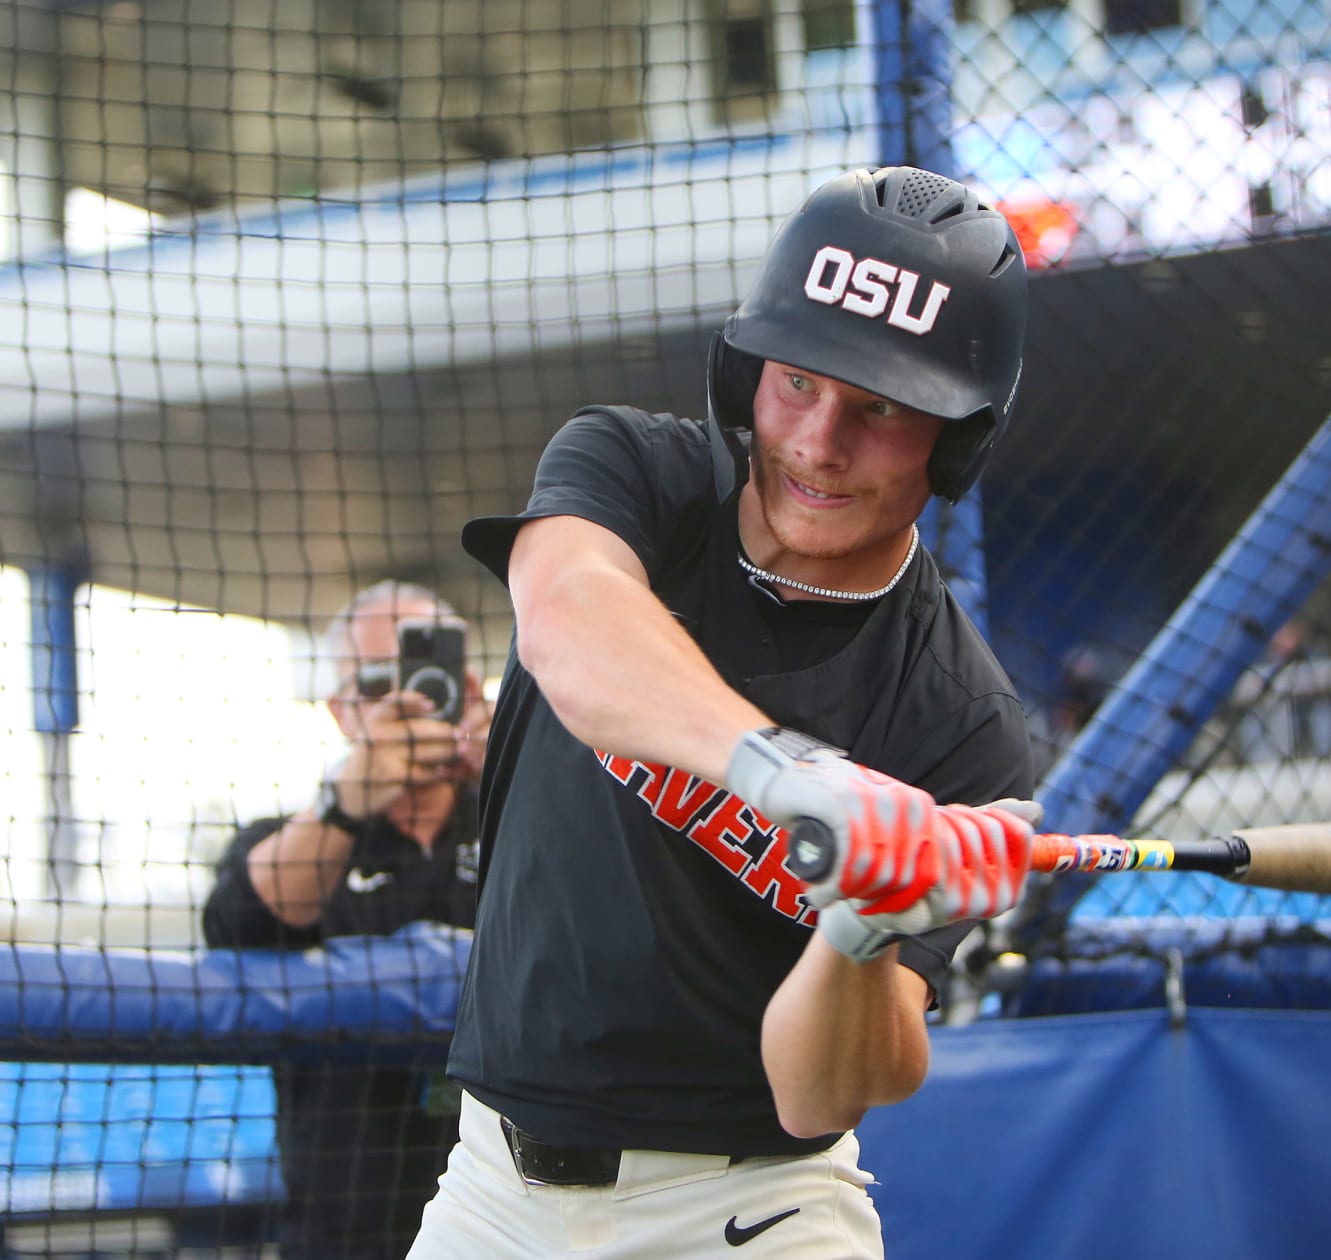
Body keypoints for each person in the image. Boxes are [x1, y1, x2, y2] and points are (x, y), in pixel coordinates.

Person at [407, 165, 1037, 1259]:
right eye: (797, 383)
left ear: (959, 441)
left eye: (881, 407)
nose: (819, 441)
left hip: (752, 1216)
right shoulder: (635, 473)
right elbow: (570, 619)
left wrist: (862, 922)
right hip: (489, 1195)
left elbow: (821, 1096)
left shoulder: (961, 722)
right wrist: (792, 778)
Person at [202, 580, 492, 1259]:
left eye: (427, 679)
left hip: (510, 1219)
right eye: (373, 687)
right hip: (347, 1227)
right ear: (339, 710)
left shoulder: (524, 818)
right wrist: (345, 802)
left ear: (469, 688)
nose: (404, 703)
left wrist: (521, 766)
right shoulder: (286, 838)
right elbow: (240, 922)